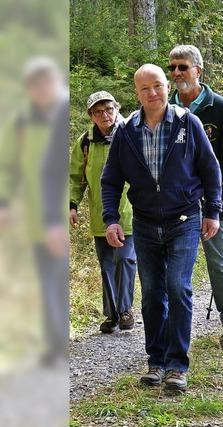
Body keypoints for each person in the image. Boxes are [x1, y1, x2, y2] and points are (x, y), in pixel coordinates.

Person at [101, 64, 222, 393]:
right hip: (144, 223)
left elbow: (211, 171)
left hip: (184, 219)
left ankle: (177, 366)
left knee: (177, 287)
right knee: (153, 294)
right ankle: (156, 361)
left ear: (167, 87)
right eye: (145, 89)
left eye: (157, 86)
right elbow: (110, 180)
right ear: (136, 93)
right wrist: (111, 219)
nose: (152, 93)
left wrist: (213, 212)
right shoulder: (126, 132)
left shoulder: (188, 123)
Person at [167, 45, 223, 347]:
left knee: (217, 263)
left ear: (198, 70)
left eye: (183, 67)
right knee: (174, 267)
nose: (177, 73)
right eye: (173, 68)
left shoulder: (220, 108)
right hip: (175, 202)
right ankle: (174, 329)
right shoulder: (166, 108)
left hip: (212, 201)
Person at [0, 57, 69, 366]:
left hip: (70, 213)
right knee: (47, 278)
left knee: (58, 276)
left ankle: (61, 342)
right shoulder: (23, 121)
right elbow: (8, 165)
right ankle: (55, 343)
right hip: (37, 215)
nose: (42, 91)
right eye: (35, 86)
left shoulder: (67, 115)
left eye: (47, 84)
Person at [69, 91, 137, 333]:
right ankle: (112, 315)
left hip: (128, 212)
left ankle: (126, 309)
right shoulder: (85, 142)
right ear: (91, 115)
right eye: (98, 112)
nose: (105, 115)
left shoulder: (132, 132)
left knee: (126, 260)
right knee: (107, 264)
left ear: (117, 108)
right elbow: (76, 177)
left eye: (109, 109)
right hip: (100, 215)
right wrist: (72, 204)